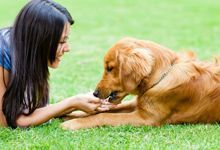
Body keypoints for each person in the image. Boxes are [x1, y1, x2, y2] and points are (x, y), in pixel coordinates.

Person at [0, 0, 113, 128]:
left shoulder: (26, 54)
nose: (67, 48)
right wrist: (72, 103)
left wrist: (79, 101)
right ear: (40, 41)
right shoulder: (2, 53)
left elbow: (30, 112)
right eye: (61, 42)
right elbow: (6, 122)